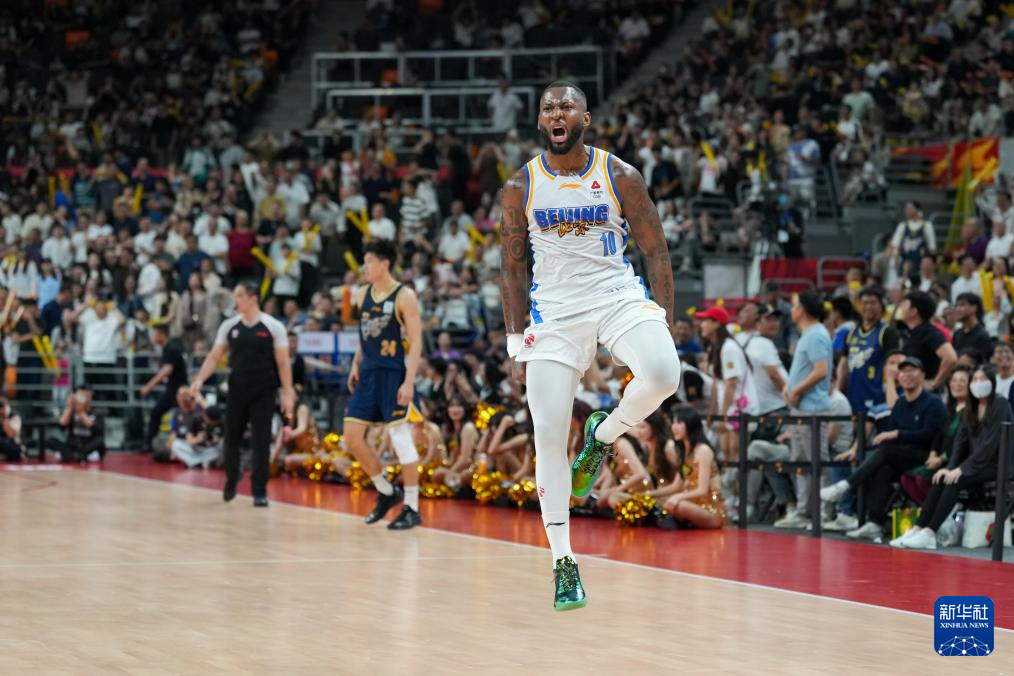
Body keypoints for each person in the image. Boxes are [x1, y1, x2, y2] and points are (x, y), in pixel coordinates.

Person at [498, 81, 680, 611]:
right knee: (549, 435)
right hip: (552, 314)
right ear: (540, 122)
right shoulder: (520, 185)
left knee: (665, 375)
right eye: (549, 107)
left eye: (566, 106)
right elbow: (511, 264)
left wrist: (663, 320)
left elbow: (657, 252)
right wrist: (515, 338)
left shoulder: (619, 175)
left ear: (586, 118)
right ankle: (564, 563)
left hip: (615, 294)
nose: (557, 113)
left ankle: (606, 429)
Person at [343, 239, 426, 530]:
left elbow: (416, 341)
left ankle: (412, 507)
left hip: (392, 375)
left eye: (368, 262)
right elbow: (365, 335)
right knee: (351, 437)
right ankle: (387, 491)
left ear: (384, 264)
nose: (364, 268)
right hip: (367, 373)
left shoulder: (405, 296)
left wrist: (408, 381)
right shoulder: (362, 294)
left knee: (401, 439)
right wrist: (356, 363)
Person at [189, 280, 294, 507]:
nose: (234, 301)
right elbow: (215, 357)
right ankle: (231, 479)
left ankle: (259, 490)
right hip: (237, 388)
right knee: (231, 438)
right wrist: (199, 379)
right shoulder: (229, 326)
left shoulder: (273, 326)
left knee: (261, 440)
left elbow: (284, 363)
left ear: (252, 298)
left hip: (264, 389)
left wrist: (288, 393)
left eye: (238, 296)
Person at [821, 355, 947, 540]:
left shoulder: (933, 402)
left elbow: (932, 434)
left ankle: (846, 486)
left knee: (886, 451)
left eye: (913, 370)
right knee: (882, 467)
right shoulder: (900, 403)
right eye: (903, 371)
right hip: (901, 455)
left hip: (927, 455)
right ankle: (875, 523)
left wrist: (897, 435)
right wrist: (894, 437)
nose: (907, 375)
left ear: (922, 376)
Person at [891, 364, 1013, 549]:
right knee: (943, 478)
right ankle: (919, 528)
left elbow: (989, 445)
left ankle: (931, 532)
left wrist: (962, 469)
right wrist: (949, 468)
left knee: (955, 481)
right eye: (975, 380)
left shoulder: (1000, 404)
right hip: (976, 465)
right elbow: (960, 444)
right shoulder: (969, 409)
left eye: (983, 379)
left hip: (998, 465)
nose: (979, 383)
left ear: (992, 382)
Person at [774, 291, 834, 529]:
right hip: (801, 408)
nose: (793, 309)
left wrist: (796, 390)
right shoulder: (809, 334)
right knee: (800, 460)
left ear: (805, 309)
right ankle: (803, 511)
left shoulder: (817, 334)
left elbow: (821, 370)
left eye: (796, 305)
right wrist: (789, 389)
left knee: (817, 461)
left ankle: (824, 513)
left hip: (813, 409)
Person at [837, 287, 899, 414]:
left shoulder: (887, 332)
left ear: (881, 306)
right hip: (853, 395)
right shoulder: (851, 333)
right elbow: (843, 364)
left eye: (873, 303)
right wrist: (838, 391)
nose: (868, 307)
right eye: (865, 303)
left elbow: (894, 363)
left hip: (878, 398)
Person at [665, 407, 725, 528]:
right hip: (693, 504)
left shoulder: (703, 450)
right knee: (662, 501)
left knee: (677, 504)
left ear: (690, 424)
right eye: (673, 423)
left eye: (679, 423)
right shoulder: (684, 451)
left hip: (710, 509)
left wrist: (678, 496)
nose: (674, 427)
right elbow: (676, 486)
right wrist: (648, 494)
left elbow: (702, 490)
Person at [141, 323, 188, 452]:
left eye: (155, 334)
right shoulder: (168, 348)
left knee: (185, 416)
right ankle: (149, 444)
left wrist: (148, 387)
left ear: (162, 334)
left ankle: (185, 444)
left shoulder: (171, 348)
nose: (153, 337)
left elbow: (166, 370)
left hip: (179, 392)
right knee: (156, 413)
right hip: (172, 391)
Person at [898, 290, 956, 390]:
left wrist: (934, 383)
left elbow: (951, 358)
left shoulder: (930, 332)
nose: (901, 308)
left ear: (913, 311)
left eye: (904, 305)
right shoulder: (909, 333)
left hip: (926, 396)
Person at [951, 293, 993, 364]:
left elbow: (984, 362)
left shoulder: (982, 335)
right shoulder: (957, 334)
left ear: (974, 308)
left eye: (962, 305)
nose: (957, 309)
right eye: (956, 306)